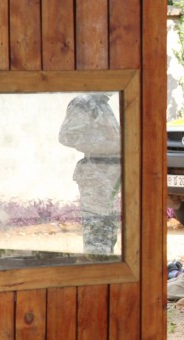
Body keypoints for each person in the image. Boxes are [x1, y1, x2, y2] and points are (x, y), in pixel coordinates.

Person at [58, 94, 121, 254]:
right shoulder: (84, 102)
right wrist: (112, 145)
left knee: (108, 234)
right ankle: (99, 274)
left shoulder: (102, 103)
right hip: (96, 179)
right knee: (97, 237)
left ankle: (106, 273)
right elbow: (67, 136)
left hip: (111, 180)